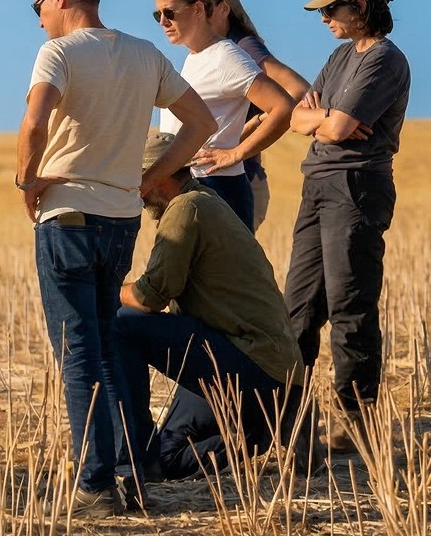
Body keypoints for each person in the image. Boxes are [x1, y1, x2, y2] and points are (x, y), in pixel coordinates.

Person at [16, 0, 215, 517]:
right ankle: (128, 470)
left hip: (69, 214)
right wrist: (149, 178)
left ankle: (95, 483)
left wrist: (26, 181)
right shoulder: (145, 53)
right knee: (104, 344)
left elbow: (34, 123)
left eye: (37, 7)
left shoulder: (57, 52)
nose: (37, 21)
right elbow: (201, 124)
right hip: (121, 218)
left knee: (78, 352)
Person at [113, 132, 301, 485]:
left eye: (139, 179)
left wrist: (104, 290)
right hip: (260, 366)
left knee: (121, 324)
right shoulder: (204, 201)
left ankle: (131, 457)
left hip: (251, 360)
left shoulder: (187, 209)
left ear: (164, 174)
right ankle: (259, 432)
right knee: (166, 459)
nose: (137, 191)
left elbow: (149, 297)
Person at [284, 0, 409, 454]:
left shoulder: (385, 61)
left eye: (330, 9)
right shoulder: (340, 56)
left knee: (349, 307)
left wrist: (326, 121)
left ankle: (355, 423)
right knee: (297, 309)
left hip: (357, 187)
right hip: (317, 185)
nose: (323, 19)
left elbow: (336, 130)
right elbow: (301, 117)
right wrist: (323, 118)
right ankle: (289, 422)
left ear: (359, 6)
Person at [152, 0, 295, 230]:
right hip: (189, 189)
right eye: (157, 14)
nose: (163, 21)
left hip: (219, 189)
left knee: (223, 273)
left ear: (197, 9)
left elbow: (284, 108)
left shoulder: (227, 57)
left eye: (169, 12)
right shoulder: (194, 57)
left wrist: (235, 154)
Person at [206, 0, 311, 232]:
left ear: (224, 8)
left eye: (203, 7)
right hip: (225, 179)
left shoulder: (243, 47)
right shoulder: (216, 49)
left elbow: (298, 90)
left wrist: (252, 128)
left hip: (240, 179)